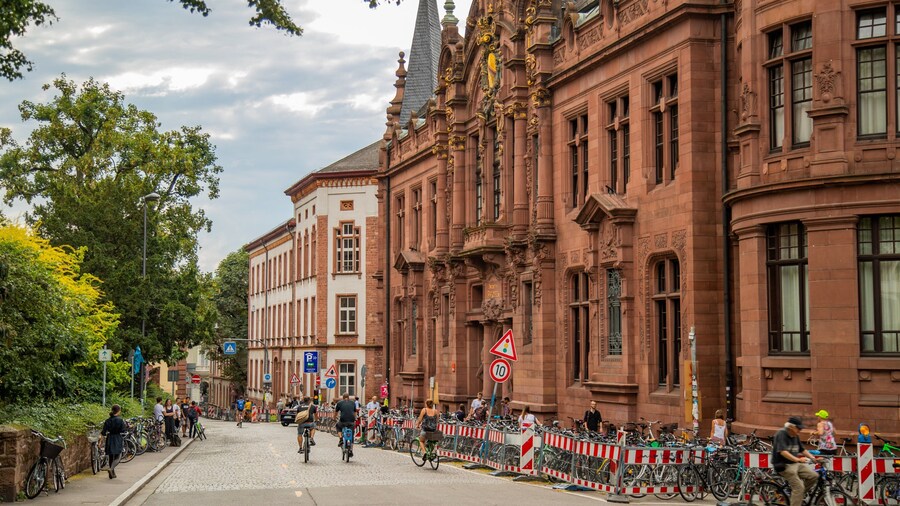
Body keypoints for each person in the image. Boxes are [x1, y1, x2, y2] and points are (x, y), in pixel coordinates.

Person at [772, 416, 822, 506]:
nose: (800, 430)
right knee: (799, 488)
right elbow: (783, 452)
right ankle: (797, 495)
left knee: (814, 476)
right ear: (791, 427)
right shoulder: (781, 434)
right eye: (798, 428)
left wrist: (813, 458)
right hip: (783, 465)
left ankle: (797, 496)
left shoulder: (795, 435)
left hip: (795, 464)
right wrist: (798, 459)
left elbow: (802, 450)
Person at [101, 404, 126, 479]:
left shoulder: (108, 420)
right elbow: (123, 430)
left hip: (110, 438)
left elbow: (103, 432)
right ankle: (111, 469)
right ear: (119, 411)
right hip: (117, 438)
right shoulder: (120, 420)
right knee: (118, 455)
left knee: (111, 455)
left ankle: (112, 474)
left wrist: (101, 441)